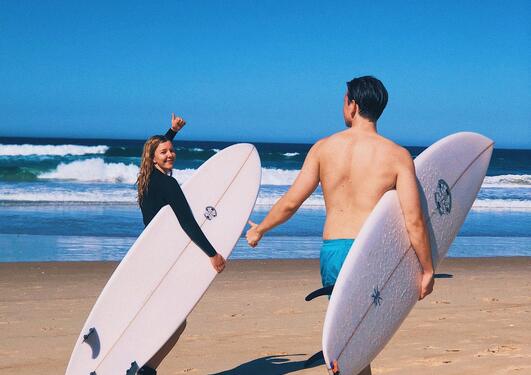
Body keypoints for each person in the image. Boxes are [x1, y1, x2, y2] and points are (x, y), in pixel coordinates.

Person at [246, 76, 434, 375]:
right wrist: (426, 269)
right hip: (370, 254)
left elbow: (291, 202)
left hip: (333, 252)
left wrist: (260, 229)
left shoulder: (324, 148)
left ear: (353, 105)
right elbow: (413, 218)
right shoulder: (397, 155)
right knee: (359, 343)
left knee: (351, 341)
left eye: (344, 100)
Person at [136, 113, 226, 375]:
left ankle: (142, 365)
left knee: (160, 317)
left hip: (147, 256)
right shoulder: (168, 184)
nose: (170, 154)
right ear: (153, 157)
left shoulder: (145, 179)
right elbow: (188, 222)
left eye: (172, 150)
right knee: (177, 321)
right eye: (164, 152)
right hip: (163, 260)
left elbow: (156, 150)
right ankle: (147, 369)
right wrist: (212, 254)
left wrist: (172, 132)